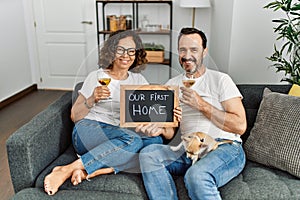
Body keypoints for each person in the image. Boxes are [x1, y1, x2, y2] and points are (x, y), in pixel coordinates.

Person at [44, 30, 181, 196]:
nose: (126, 55)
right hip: (89, 130)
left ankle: (100, 169)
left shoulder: (138, 81)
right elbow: (75, 116)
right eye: (121, 49)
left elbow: (150, 118)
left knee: (153, 144)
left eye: (131, 51)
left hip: (121, 137)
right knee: (132, 140)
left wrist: (165, 119)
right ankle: (69, 169)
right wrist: (92, 99)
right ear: (111, 51)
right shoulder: (96, 76)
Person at [139, 27, 247, 200]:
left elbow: (240, 126)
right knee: (148, 154)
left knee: (196, 176)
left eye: (194, 49)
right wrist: (160, 129)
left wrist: (202, 105)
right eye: (183, 49)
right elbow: (170, 131)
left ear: (204, 52)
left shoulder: (221, 80)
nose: (187, 55)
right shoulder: (171, 85)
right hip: (187, 149)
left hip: (224, 147)